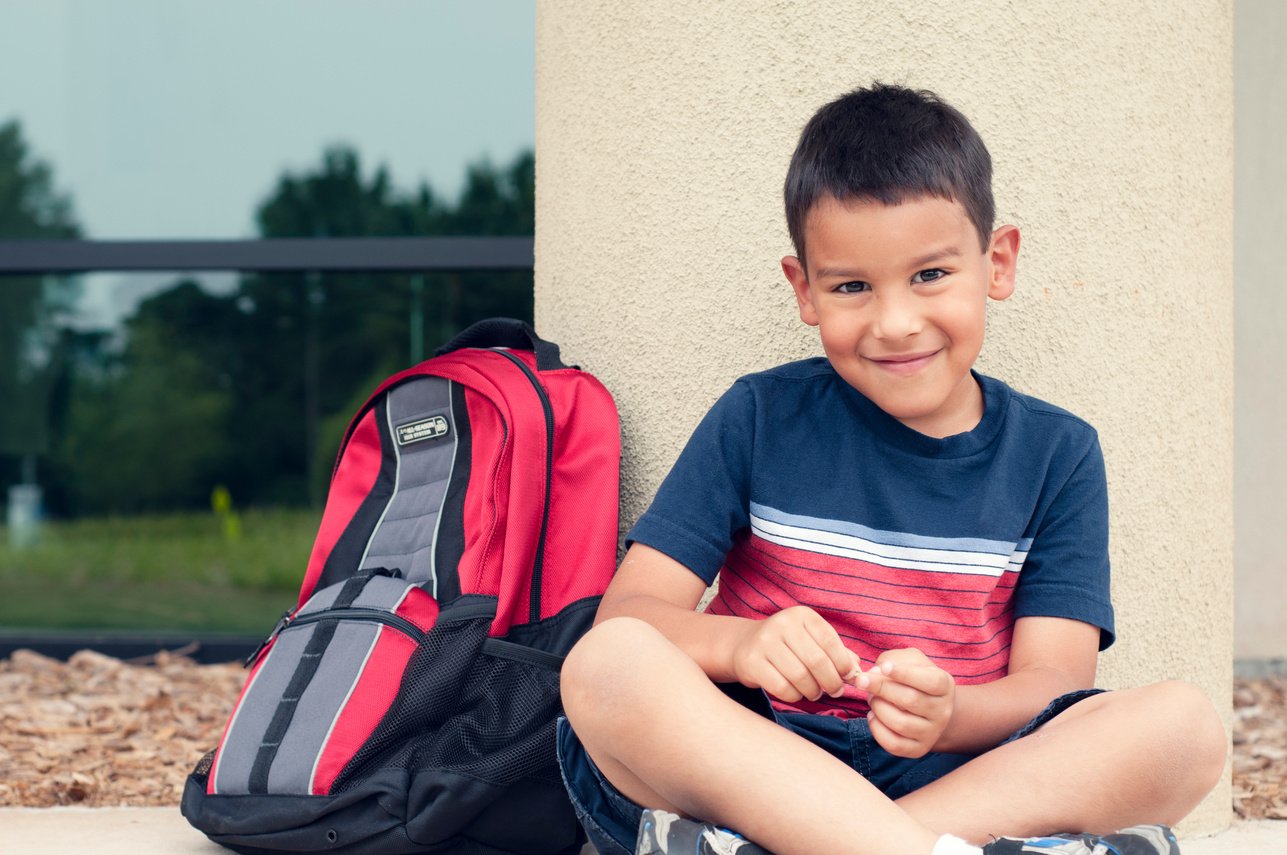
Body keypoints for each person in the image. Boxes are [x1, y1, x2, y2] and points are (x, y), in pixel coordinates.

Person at [556, 83, 1227, 855]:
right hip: (754, 760)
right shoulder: (758, 416)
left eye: (930, 275)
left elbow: (1052, 684)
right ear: (804, 290)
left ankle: (825, 845)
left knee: (1184, 728)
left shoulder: (1056, 452)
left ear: (997, 262)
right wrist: (742, 646)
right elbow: (629, 613)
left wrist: (952, 715)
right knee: (607, 666)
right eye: (851, 287)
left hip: (949, 778)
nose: (896, 322)